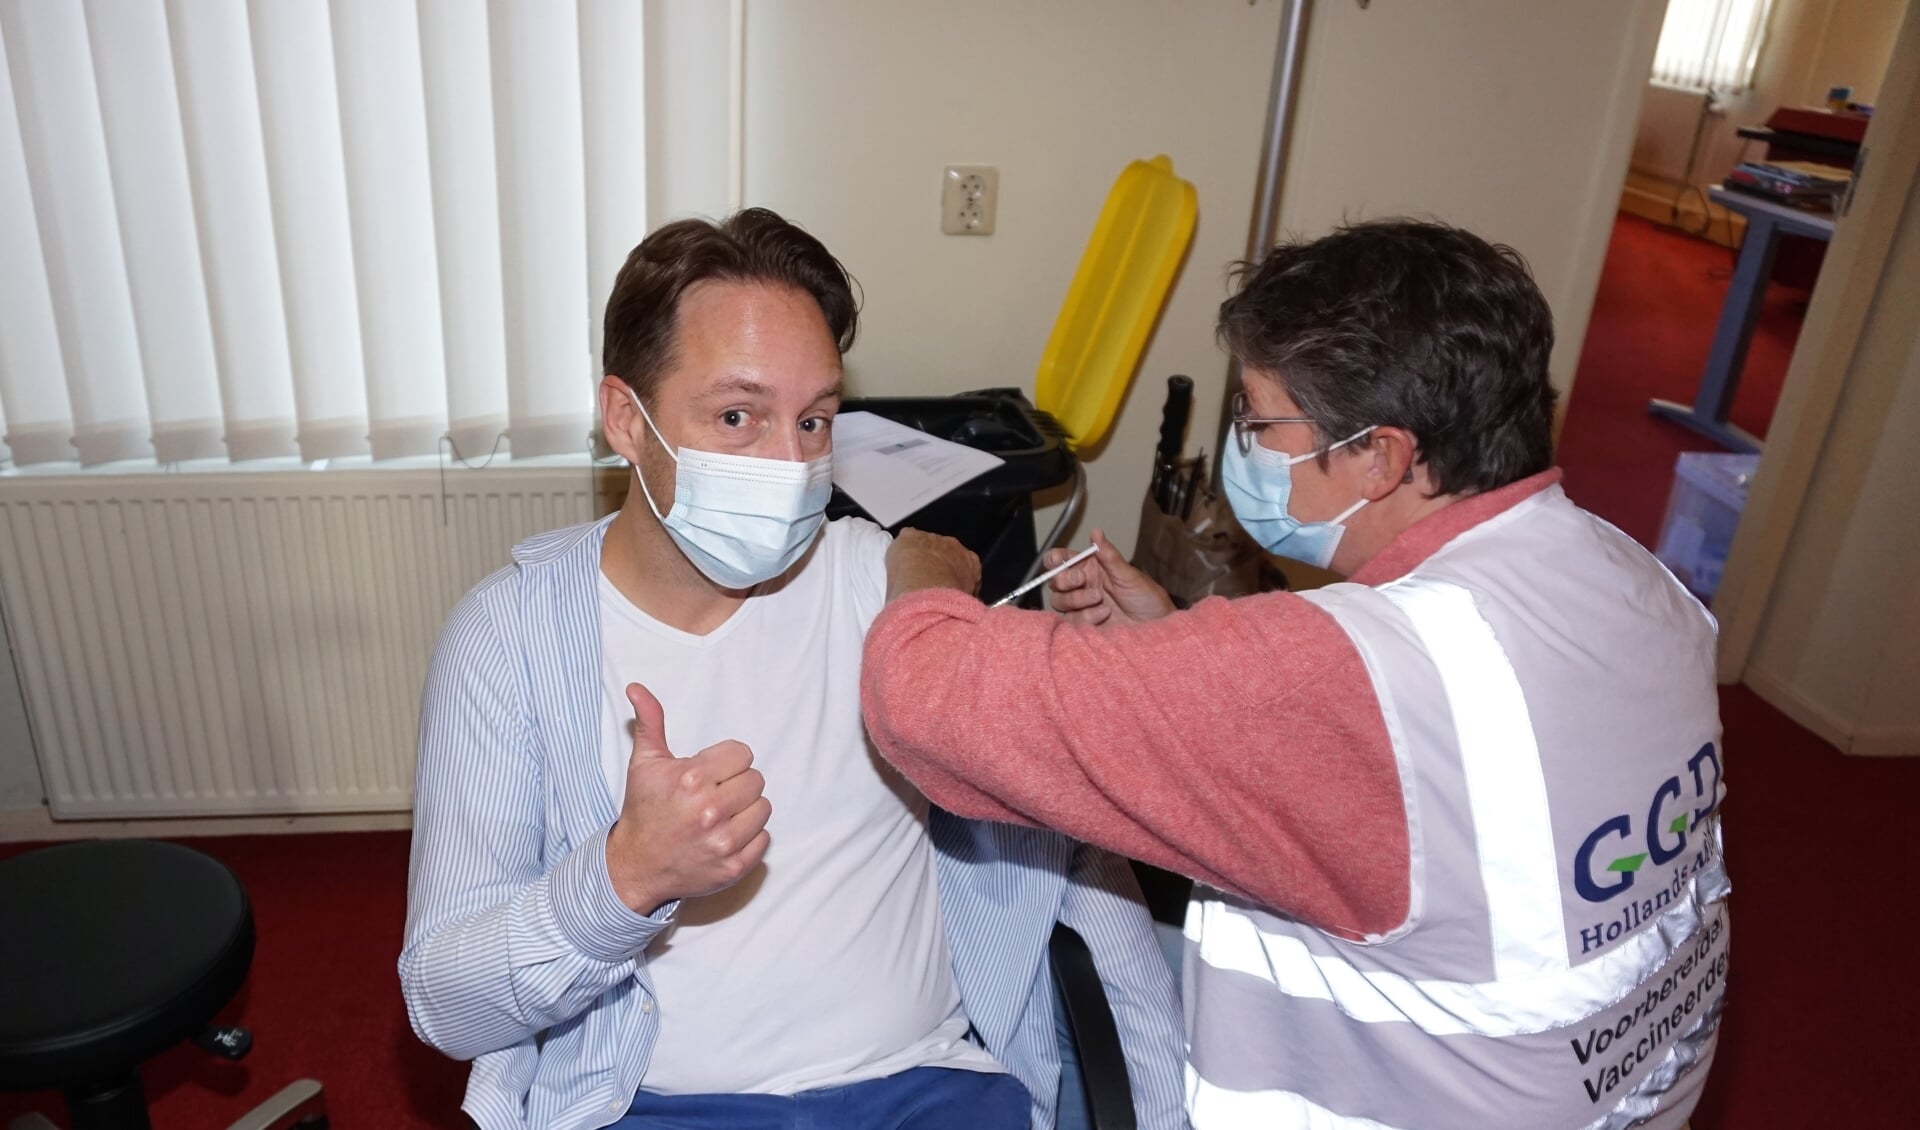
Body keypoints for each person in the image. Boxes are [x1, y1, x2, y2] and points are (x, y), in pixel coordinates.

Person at [863, 220, 1730, 1130]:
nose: (1243, 445)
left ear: (1381, 455)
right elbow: (1421, 768)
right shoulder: (1631, 574)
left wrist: (924, 576)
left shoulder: (1350, 674)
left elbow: (925, 700)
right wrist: (1182, 642)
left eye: (1258, 420)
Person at [400, 209, 1186, 1130]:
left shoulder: (893, 595)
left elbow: (1092, 837)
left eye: (814, 420)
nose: (790, 464)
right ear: (627, 418)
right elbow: (446, 1005)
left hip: (925, 1088)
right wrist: (625, 878)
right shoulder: (509, 642)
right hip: (654, 1108)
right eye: (739, 415)